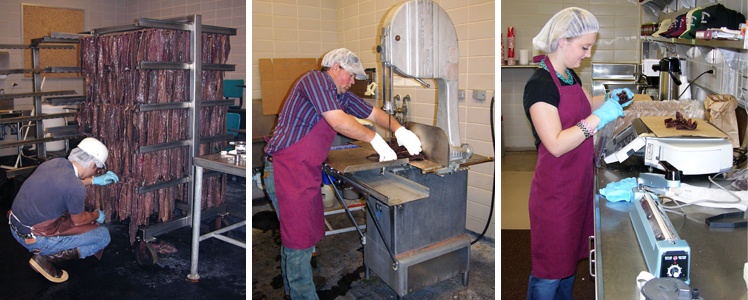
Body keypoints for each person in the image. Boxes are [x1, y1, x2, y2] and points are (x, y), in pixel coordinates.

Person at [263, 48, 422, 300]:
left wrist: (400, 130)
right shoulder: (314, 80)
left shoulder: (339, 95)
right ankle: (301, 291)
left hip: (304, 171)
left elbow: (372, 113)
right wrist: (375, 139)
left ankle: (299, 279)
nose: (353, 82)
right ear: (335, 67)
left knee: (303, 237)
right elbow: (338, 122)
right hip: (286, 171)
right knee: (298, 242)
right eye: (350, 76)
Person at [522, 7, 633, 299]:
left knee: (568, 264)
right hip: (554, 193)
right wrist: (601, 117)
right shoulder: (540, 85)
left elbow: (586, 106)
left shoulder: (570, 77)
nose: (587, 54)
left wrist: (611, 99)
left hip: (577, 187)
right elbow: (556, 143)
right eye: (584, 47)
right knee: (549, 270)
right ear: (562, 41)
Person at [8, 137, 120, 283]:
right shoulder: (75, 188)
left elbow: (66, 182)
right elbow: (78, 221)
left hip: (14, 225)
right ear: (92, 164)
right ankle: (44, 258)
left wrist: (94, 180)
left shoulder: (55, 163)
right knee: (103, 236)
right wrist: (96, 214)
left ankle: (46, 251)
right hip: (34, 239)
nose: (95, 172)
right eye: (96, 169)